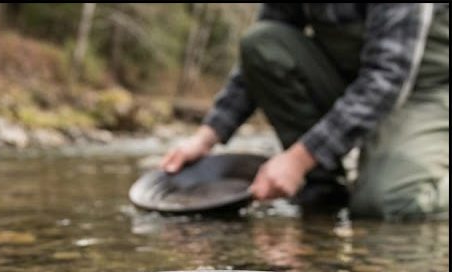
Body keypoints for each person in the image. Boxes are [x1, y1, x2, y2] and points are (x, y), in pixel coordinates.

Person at [161, 3, 449, 220]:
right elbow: (258, 56)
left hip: (427, 90)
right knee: (262, 41)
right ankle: (323, 188)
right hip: (352, 83)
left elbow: (388, 78)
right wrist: (206, 136)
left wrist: (298, 160)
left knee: (387, 203)